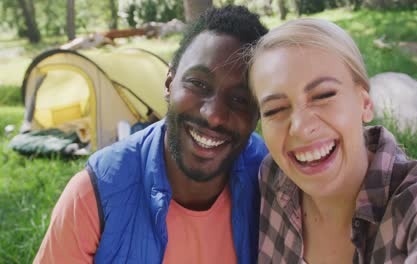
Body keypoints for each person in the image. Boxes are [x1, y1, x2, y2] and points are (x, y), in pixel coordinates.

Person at [34, 5, 268, 264]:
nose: (213, 114)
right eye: (198, 84)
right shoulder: (95, 194)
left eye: (239, 99)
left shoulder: (273, 182)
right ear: (169, 83)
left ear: (258, 113)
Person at [248, 18, 417, 263]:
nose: (300, 128)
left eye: (323, 95)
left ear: (365, 103)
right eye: (275, 110)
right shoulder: (272, 178)